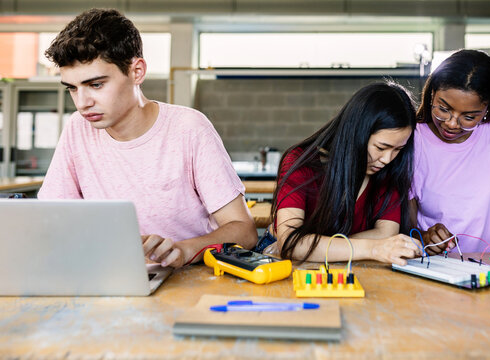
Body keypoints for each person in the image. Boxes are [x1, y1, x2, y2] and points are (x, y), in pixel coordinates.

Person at [38, 8, 258, 268]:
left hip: (187, 280)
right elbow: (53, 222)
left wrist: (185, 250)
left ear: (137, 72)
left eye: (96, 85)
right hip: (110, 273)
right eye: (72, 89)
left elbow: (244, 231)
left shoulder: (189, 128)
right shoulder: (77, 129)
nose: (83, 103)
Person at [260, 82, 422, 266]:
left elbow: (386, 234)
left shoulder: (390, 170)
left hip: (347, 265)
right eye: (381, 147)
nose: (387, 159)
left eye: (398, 149)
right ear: (356, 133)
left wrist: (316, 246)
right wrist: (373, 248)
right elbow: (291, 243)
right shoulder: (301, 163)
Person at [410, 49, 490, 254]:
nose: (452, 124)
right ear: (432, 93)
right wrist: (424, 237)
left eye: (469, 117)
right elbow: (404, 221)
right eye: (443, 109)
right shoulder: (413, 139)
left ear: (487, 109)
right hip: (434, 269)